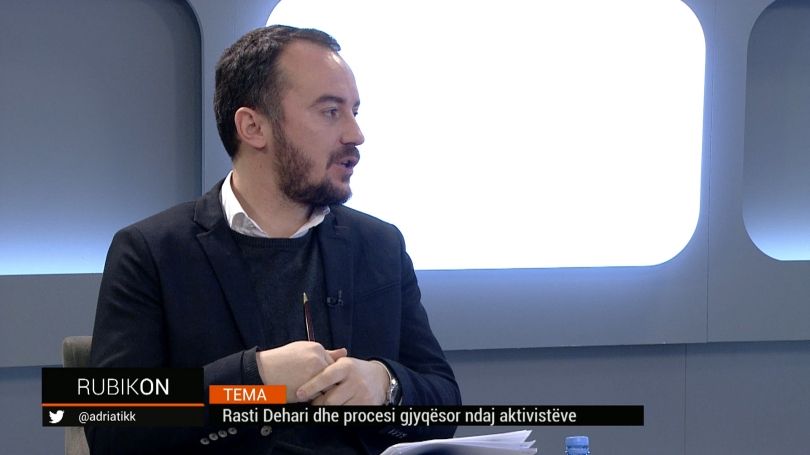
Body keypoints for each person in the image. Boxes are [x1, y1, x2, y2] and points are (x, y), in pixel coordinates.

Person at [87, 25, 460, 454]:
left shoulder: (379, 244)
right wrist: (253, 379)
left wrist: (386, 385)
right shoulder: (152, 251)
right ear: (253, 127)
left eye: (354, 111)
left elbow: (444, 402)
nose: (355, 134)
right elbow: (108, 425)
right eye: (330, 111)